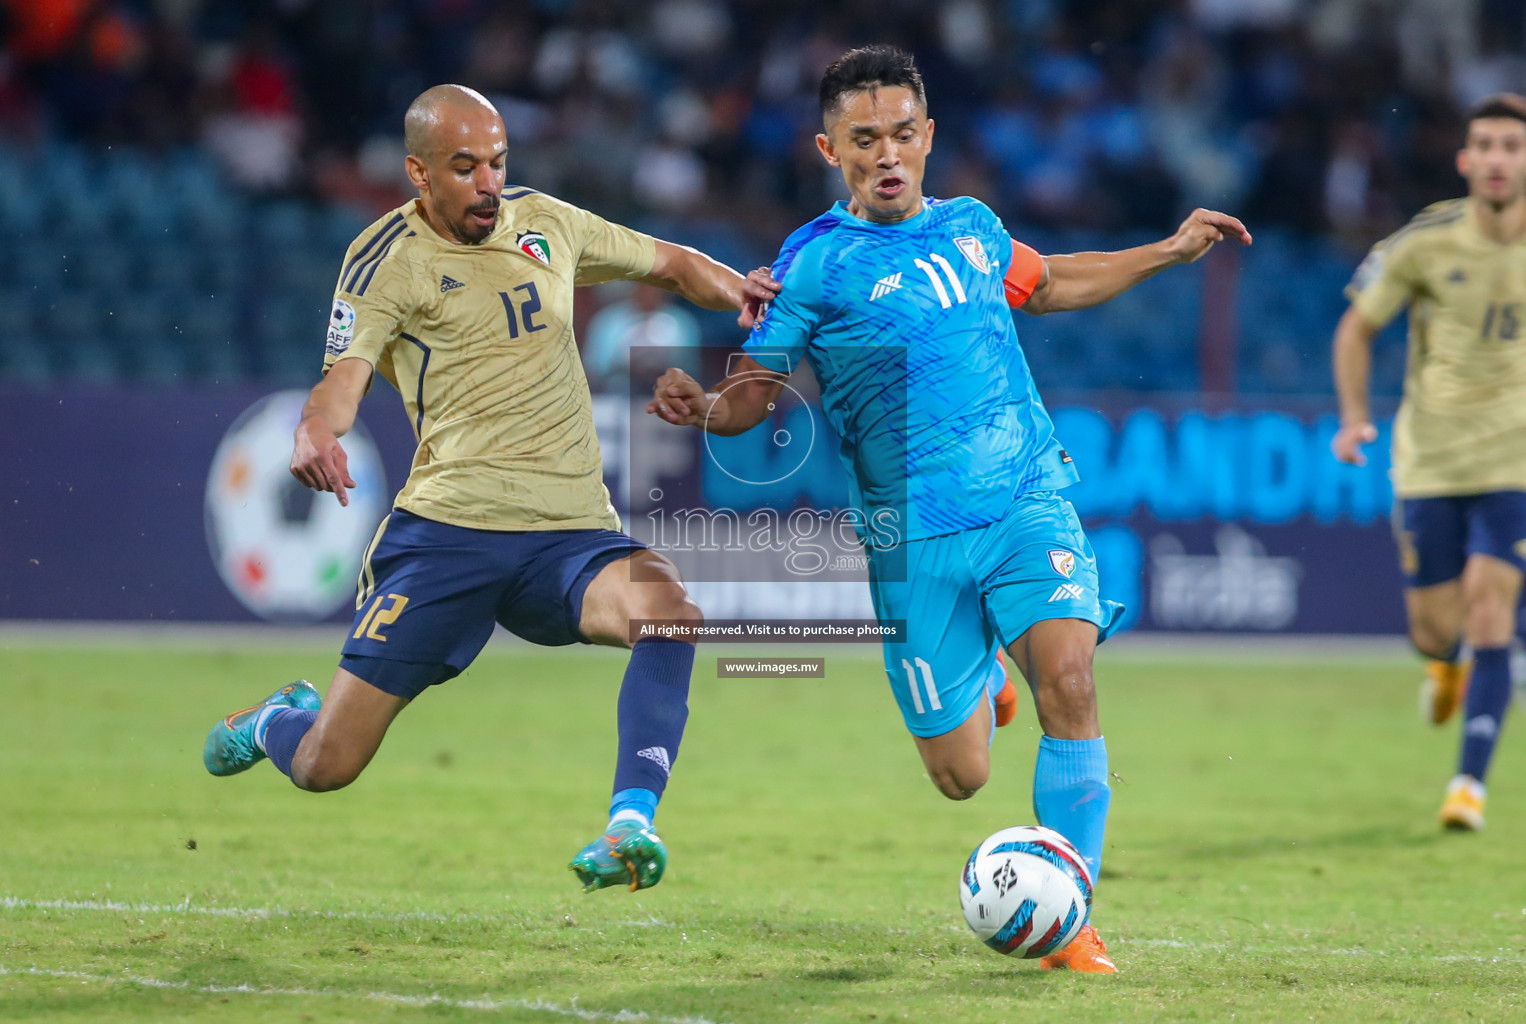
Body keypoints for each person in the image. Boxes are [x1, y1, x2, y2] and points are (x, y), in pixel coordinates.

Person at [647, 46, 1249, 973]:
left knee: (1074, 684)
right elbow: (755, 395)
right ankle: (985, 686)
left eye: (900, 135)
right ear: (828, 148)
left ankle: (1072, 916)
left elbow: (1048, 285)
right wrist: (706, 409)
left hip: (1023, 495)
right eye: (863, 140)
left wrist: (1169, 250)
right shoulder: (810, 263)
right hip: (911, 540)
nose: (885, 154)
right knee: (962, 777)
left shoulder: (971, 228)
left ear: (927, 137)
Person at [201, 84, 775, 894]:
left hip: (569, 531)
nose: (487, 182)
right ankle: (271, 722)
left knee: (670, 611)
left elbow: (675, 264)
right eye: (464, 167)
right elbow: (344, 381)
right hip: (449, 536)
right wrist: (313, 431)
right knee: (329, 765)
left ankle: (629, 824)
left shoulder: (549, 224)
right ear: (418, 173)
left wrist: (741, 291)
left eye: (497, 163)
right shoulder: (384, 259)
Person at [1332, 93, 1526, 833]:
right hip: (1430, 463)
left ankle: (1467, 786)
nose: (1497, 159)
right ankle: (1443, 664)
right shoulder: (1425, 242)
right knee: (1433, 628)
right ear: (1465, 160)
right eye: (1484, 144)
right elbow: (1356, 329)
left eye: (1511, 146)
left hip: (1518, 461)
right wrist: (1354, 418)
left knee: (1492, 609)